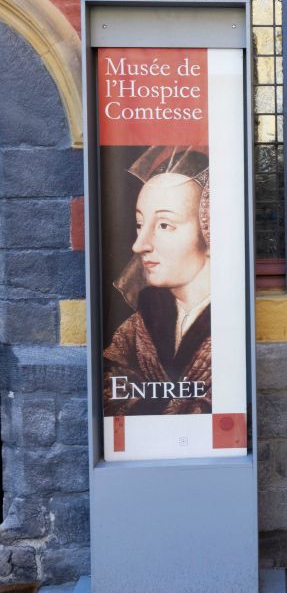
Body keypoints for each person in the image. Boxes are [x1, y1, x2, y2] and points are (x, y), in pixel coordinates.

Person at [103, 146, 213, 416]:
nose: (140, 245)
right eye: (140, 224)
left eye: (165, 225)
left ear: (210, 231)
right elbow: (111, 386)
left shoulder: (231, 320)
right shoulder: (141, 321)